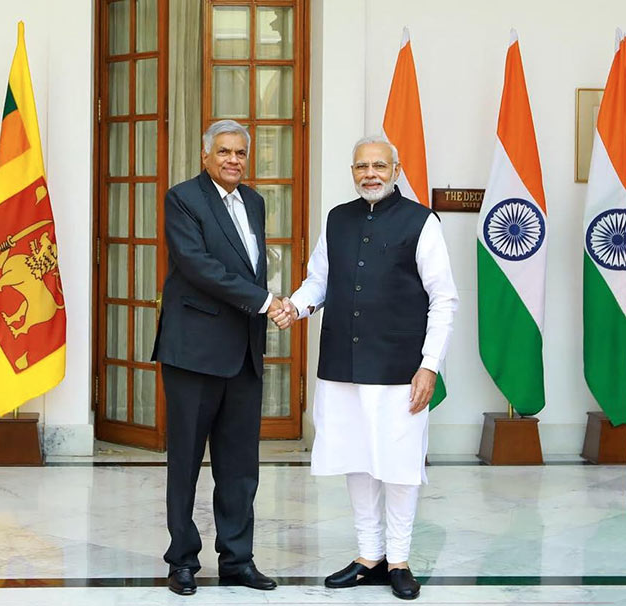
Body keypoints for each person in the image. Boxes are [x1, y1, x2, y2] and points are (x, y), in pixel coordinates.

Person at [270, 135, 458, 600]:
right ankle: (367, 556)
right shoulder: (337, 219)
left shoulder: (421, 222)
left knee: (397, 467)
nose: (369, 173)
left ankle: (398, 559)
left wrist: (429, 366)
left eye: (379, 165)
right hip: (342, 365)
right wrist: (294, 307)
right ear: (352, 171)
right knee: (357, 461)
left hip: (400, 369)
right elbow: (319, 280)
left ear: (396, 169)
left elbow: (444, 300)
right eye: (361, 166)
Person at [151, 119, 283, 596]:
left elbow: (249, 264)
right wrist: (267, 301)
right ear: (205, 156)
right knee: (185, 462)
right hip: (194, 353)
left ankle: (237, 559)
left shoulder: (254, 201)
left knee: (240, 466)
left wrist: (267, 301)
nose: (233, 160)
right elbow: (199, 266)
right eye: (224, 152)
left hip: (244, 352)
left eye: (240, 153)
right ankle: (182, 559)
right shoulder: (183, 198)